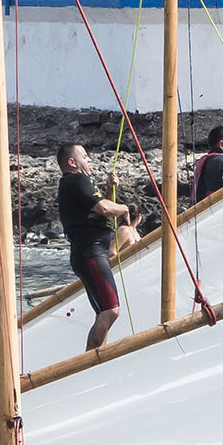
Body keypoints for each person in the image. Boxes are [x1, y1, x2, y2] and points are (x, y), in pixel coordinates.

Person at [56, 142, 133, 351]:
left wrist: (109, 189)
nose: (89, 159)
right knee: (111, 311)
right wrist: (125, 208)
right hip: (90, 252)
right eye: (85, 156)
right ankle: (88, 362)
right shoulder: (75, 180)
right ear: (72, 162)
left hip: (88, 253)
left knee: (103, 313)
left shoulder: (78, 183)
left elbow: (102, 210)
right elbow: (104, 208)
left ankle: (95, 359)